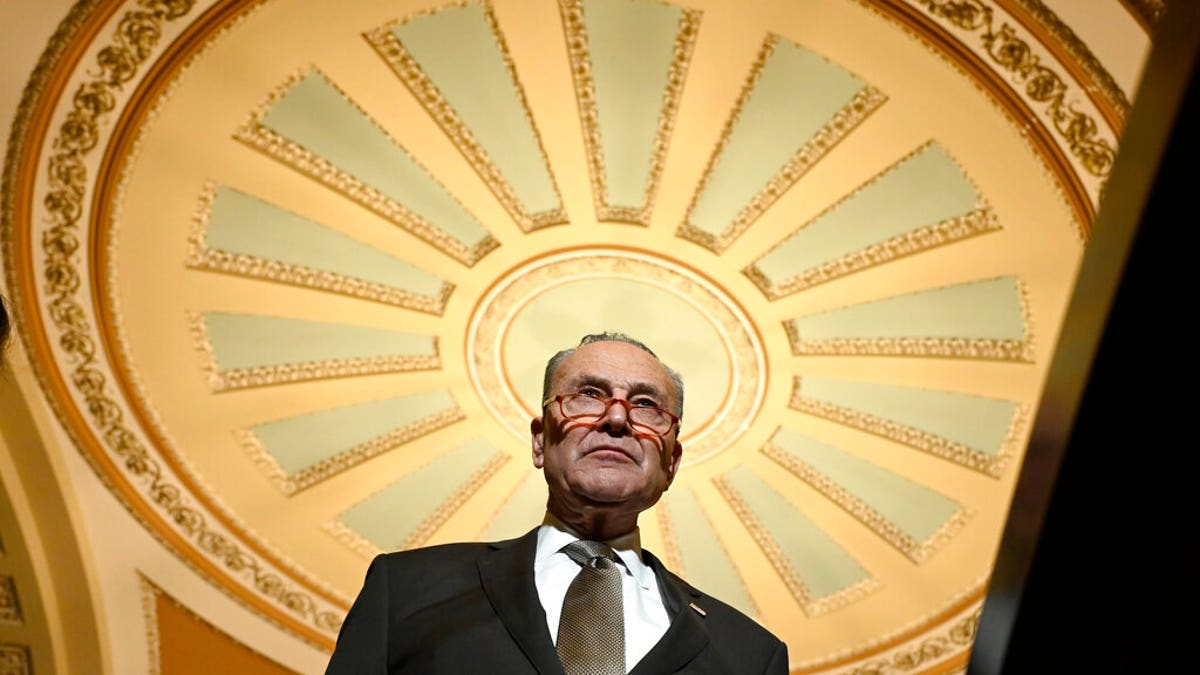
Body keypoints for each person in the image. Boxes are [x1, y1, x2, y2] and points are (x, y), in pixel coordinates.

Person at [325, 332, 788, 674]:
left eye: (646, 405)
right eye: (589, 394)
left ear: (672, 464)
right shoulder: (406, 589)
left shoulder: (750, 655)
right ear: (540, 442)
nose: (617, 417)